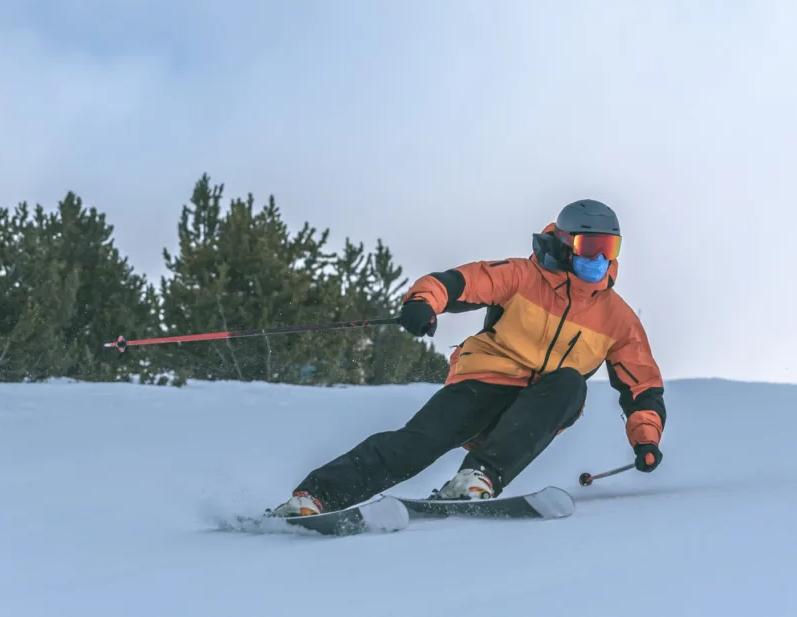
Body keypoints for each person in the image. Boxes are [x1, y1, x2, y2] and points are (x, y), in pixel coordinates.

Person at [270, 199, 667, 517]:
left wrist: (646, 439)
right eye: (589, 247)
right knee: (418, 443)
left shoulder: (618, 319)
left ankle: (478, 477)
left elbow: (642, 386)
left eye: (608, 249)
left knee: (569, 383)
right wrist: (424, 303)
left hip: (536, 409)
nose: (598, 260)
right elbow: (460, 282)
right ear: (565, 243)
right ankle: (315, 497)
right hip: (483, 383)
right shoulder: (521, 276)